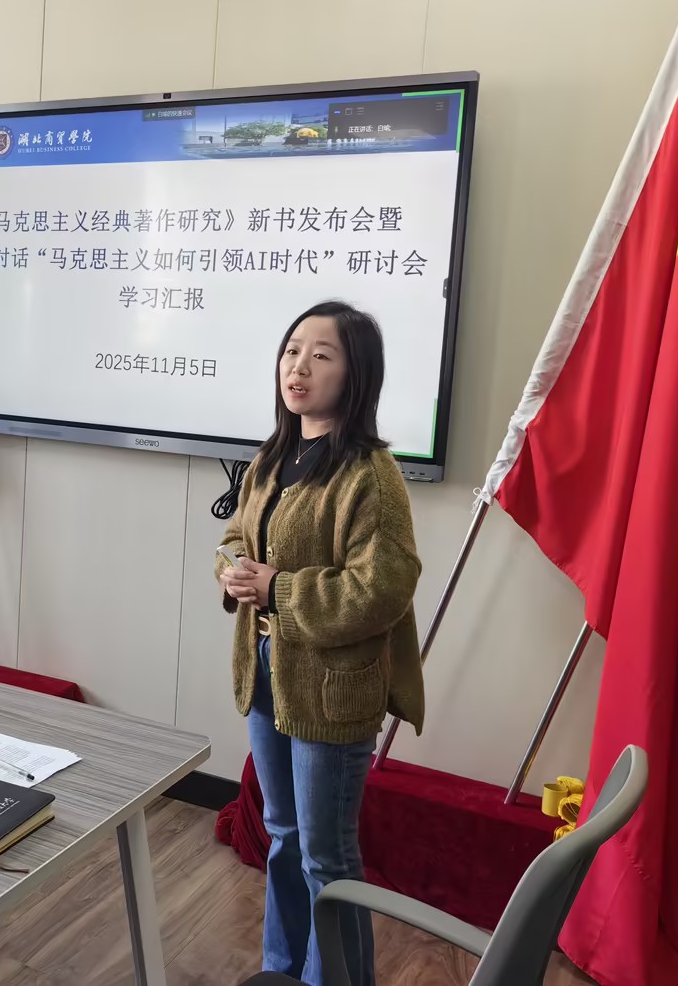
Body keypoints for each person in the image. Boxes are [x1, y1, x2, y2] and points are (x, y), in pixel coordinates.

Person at [216, 300, 425, 986]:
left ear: (355, 373)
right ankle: (281, 972)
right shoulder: (274, 456)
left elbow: (383, 587)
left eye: (321, 355)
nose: (298, 366)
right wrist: (233, 571)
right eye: (291, 350)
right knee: (282, 837)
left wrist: (279, 589)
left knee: (327, 859)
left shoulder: (371, 474)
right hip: (266, 670)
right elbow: (237, 536)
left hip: (333, 689)